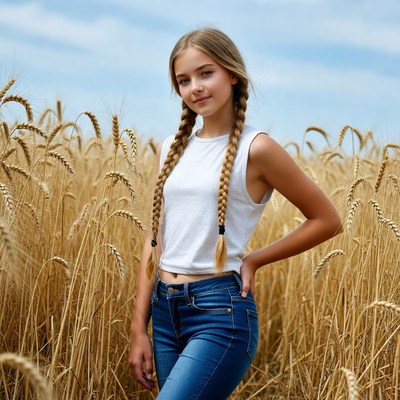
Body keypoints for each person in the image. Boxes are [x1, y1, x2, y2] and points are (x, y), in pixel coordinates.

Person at [128, 27, 342, 399]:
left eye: (205, 73)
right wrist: (138, 327)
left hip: (219, 313)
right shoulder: (171, 149)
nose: (195, 86)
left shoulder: (257, 149)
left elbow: (327, 219)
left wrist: (254, 260)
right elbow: (155, 238)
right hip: (164, 313)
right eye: (183, 80)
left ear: (232, 74)